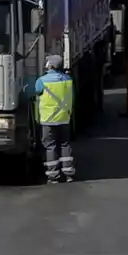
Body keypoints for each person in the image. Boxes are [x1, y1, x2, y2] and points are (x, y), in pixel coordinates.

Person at [34, 55, 76, 184]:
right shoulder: (68, 79)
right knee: (65, 144)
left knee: (50, 146)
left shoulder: (42, 81)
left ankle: (53, 176)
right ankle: (68, 173)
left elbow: (36, 91)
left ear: (50, 65)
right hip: (64, 118)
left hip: (48, 119)